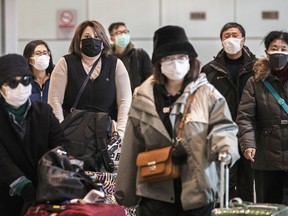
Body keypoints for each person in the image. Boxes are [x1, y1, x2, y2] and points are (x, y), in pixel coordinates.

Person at [115, 25, 240, 216]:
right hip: (155, 191)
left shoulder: (206, 93)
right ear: (158, 63)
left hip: (198, 189)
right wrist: (125, 192)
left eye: (181, 57)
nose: (176, 63)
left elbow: (223, 127)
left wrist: (225, 149)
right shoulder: (143, 97)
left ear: (190, 60)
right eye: (168, 59)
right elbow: (132, 145)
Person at [0, 54, 70, 216]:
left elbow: (61, 144)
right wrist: (25, 187)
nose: (20, 87)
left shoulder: (43, 112)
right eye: (13, 82)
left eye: (25, 80)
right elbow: (2, 161)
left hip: (45, 190)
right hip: (7, 192)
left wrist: (55, 172)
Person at [48, 20, 132, 138]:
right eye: (87, 36)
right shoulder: (65, 63)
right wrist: (60, 132)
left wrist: (120, 132)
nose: (92, 39)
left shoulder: (116, 64)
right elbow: (55, 100)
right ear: (79, 40)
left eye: (97, 36)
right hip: (73, 134)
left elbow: (124, 101)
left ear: (103, 40)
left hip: (107, 133)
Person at [201, 22, 256, 202]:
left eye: (235, 35)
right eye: (227, 36)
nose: (231, 39)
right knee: (224, 182)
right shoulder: (209, 70)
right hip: (222, 133)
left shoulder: (257, 68)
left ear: (243, 39)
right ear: (221, 41)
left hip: (251, 133)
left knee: (248, 183)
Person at [237, 30, 288, 204]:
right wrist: (248, 144)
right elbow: (245, 116)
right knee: (269, 205)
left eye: (284, 48)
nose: (279, 52)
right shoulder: (255, 81)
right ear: (266, 52)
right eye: (274, 48)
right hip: (266, 155)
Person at [108, 22, 153, 92]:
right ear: (111, 38)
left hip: (136, 97)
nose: (123, 35)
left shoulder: (140, 55)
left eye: (125, 32)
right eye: (118, 32)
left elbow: (150, 77)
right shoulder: (108, 58)